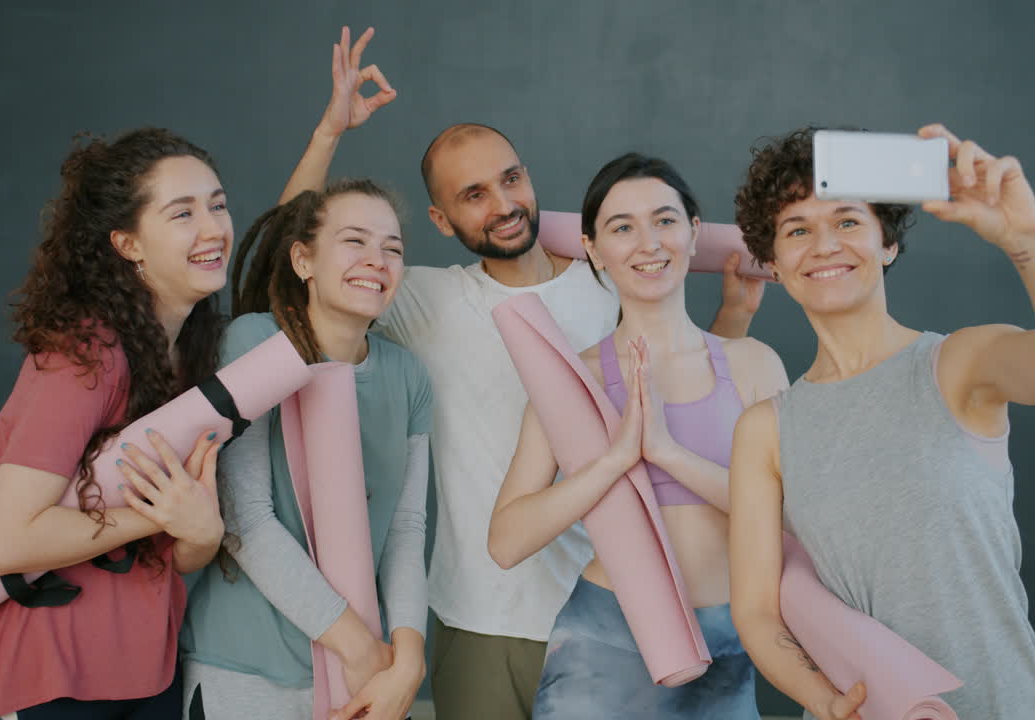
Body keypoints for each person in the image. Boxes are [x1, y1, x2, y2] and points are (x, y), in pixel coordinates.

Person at [278, 28, 765, 719]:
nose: (503, 204)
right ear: (442, 221)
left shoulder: (616, 277)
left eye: (511, 179)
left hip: (627, 608)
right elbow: (289, 252)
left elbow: (687, 405)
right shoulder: (426, 300)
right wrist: (331, 132)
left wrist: (735, 320)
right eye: (473, 195)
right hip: (485, 618)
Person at [727, 125, 1035, 720]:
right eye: (797, 230)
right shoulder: (766, 428)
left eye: (848, 222)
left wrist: (1026, 236)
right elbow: (755, 610)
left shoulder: (957, 364)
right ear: (773, 264)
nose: (824, 244)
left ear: (888, 244)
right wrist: (825, 702)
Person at [487, 152, 787, 719]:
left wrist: (667, 454)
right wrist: (615, 460)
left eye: (665, 220)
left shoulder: (753, 364)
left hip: (732, 646)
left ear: (695, 233)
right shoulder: (574, 379)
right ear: (594, 250)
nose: (648, 242)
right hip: (604, 650)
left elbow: (790, 516)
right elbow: (506, 541)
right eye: (622, 227)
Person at [0, 128, 230, 720]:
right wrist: (156, 515)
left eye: (217, 204)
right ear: (128, 243)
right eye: (182, 212)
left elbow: (176, 552)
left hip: (145, 672)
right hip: (48, 680)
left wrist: (201, 533)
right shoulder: (85, 354)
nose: (213, 228)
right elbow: (6, 541)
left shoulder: (192, 355)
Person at [177, 179, 432, 720]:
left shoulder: (409, 376)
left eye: (392, 248)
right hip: (246, 669)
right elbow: (245, 518)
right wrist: (360, 647)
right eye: (355, 241)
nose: (377, 260)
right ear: (303, 260)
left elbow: (407, 529)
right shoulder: (253, 343)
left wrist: (407, 661)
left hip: (364, 676)